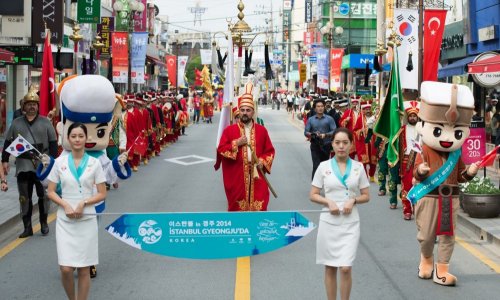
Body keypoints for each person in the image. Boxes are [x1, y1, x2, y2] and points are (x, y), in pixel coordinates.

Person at [413, 82, 479, 286]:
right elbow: (416, 171)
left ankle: (441, 270)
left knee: (448, 236)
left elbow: (460, 176)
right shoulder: (424, 150)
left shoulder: (456, 154)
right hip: (429, 195)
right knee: (426, 236)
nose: (449, 138)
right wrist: (421, 171)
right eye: (440, 130)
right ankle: (426, 259)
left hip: (451, 198)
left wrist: (470, 173)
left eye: (457, 133)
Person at [46, 122, 107, 300]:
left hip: (87, 219)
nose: (77, 139)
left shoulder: (95, 163)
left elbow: (102, 193)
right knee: (65, 269)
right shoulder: (59, 162)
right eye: (73, 136)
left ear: (86, 138)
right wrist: (65, 204)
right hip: (65, 221)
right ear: (68, 138)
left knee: (84, 268)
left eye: (81, 136)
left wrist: (84, 202)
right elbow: (50, 191)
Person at [310, 127, 370, 300]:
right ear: (332, 145)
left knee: (345, 267)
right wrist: (328, 201)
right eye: (337, 143)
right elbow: (313, 194)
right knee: (330, 267)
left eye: (345, 143)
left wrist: (354, 200)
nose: (341, 146)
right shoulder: (323, 167)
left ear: (351, 145)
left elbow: (366, 196)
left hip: (350, 223)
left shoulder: (358, 167)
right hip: (329, 221)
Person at [1, 86, 57, 238]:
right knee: (24, 198)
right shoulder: (16, 123)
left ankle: (44, 223)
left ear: (38, 106)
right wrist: (4, 160)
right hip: (23, 166)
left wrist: (52, 162)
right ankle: (27, 227)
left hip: (42, 166)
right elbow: (8, 143)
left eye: (35, 104)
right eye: (29, 103)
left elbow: (53, 143)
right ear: (23, 106)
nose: (32, 106)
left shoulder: (46, 122)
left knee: (43, 196)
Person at [216, 82, 275, 211]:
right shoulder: (229, 131)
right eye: (242, 110)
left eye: (248, 110)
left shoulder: (262, 130)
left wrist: (262, 161)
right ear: (239, 111)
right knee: (237, 208)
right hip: (237, 175)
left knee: (260, 206)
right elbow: (221, 149)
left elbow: (270, 151)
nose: (245, 113)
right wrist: (236, 143)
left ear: (253, 112)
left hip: (257, 175)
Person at [304, 99, 337, 179]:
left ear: (324, 107)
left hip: (326, 145)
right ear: (315, 108)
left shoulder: (329, 119)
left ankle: (325, 183)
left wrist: (325, 135)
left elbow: (334, 131)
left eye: (322, 106)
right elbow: (306, 132)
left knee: (325, 166)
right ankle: (315, 186)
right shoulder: (311, 119)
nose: (320, 108)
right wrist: (312, 134)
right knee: (316, 165)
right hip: (315, 145)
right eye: (318, 106)